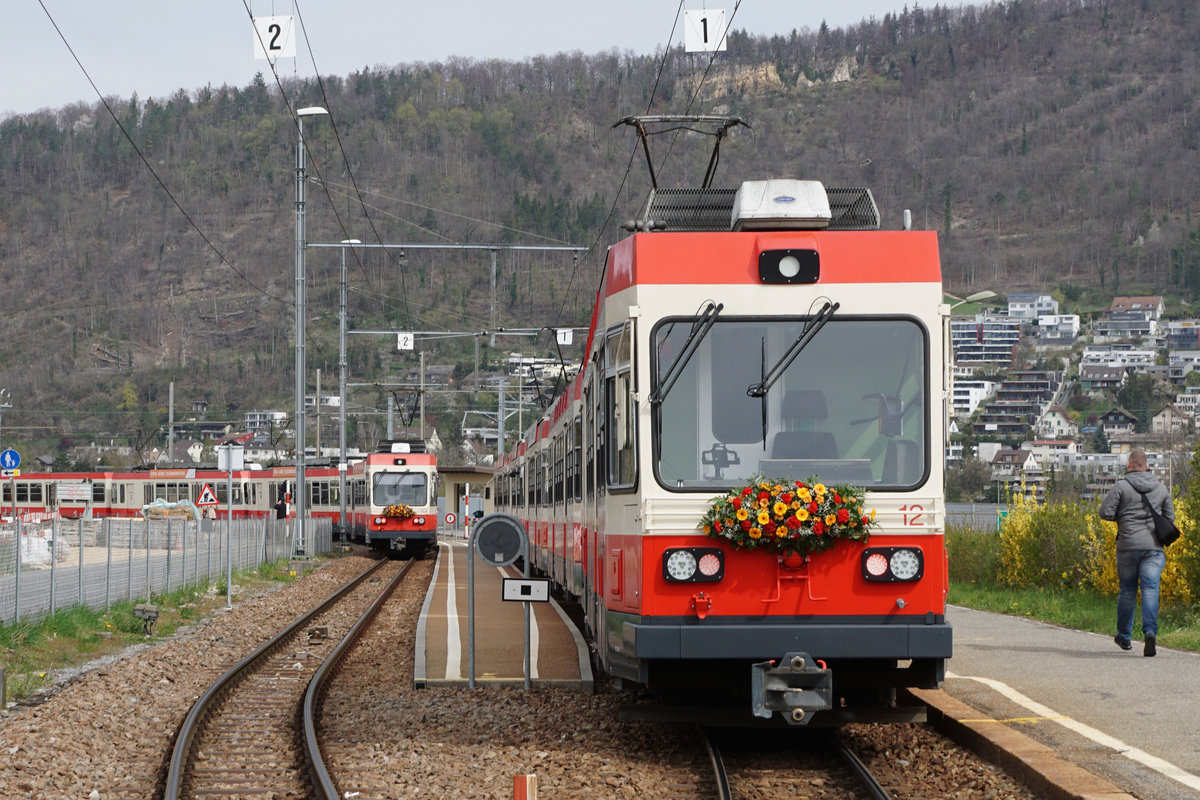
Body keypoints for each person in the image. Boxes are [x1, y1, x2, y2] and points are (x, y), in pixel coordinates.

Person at [1099, 450, 1173, 657]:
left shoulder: (1121, 486)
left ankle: (1124, 637)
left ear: (1129, 466)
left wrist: (1123, 517)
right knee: (1150, 589)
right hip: (1153, 548)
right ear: (1147, 466)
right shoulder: (1160, 488)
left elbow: (1104, 512)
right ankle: (1149, 632)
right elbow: (1170, 518)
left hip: (1128, 546)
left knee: (1128, 591)